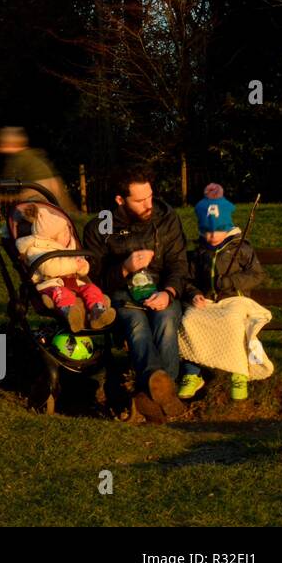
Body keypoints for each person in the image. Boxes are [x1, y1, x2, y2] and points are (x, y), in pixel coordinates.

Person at [81, 165, 189, 422]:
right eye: (139, 200)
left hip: (162, 290)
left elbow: (178, 263)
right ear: (120, 200)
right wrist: (125, 268)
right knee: (137, 324)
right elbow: (95, 282)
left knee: (166, 319)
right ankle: (163, 394)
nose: (148, 204)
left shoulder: (165, 216)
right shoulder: (101, 226)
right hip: (123, 296)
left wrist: (169, 292)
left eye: (150, 196)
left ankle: (152, 394)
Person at [178, 185, 270, 402]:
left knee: (232, 322)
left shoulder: (240, 248)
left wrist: (229, 281)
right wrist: (194, 294)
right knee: (189, 319)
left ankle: (239, 373)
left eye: (217, 231)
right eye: (207, 231)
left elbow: (257, 275)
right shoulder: (200, 252)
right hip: (209, 301)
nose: (211, 236)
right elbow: (188, 279)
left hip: (235, 300)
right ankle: (192, 373)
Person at [14, 203, 115, 332]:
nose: (69, 234)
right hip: (51, 285)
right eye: (64, 233)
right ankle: (70, 313)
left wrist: (83, 266)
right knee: (62, 294)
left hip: (74, 283)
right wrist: (74, 265)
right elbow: (49, 269)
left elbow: (82, 269)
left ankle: (98, 311)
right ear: (51, 239)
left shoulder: (69, 248)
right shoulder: (35, 250)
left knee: (91, 288)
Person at [0, 126, 76, 212]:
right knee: (61, 210)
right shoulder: (31, 153)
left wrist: (2, 194)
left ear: (11, 144)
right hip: (53, 181)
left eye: (2, 144)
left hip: (38, 184)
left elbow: (9, 177)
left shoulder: (17, 157)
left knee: (28, 212)